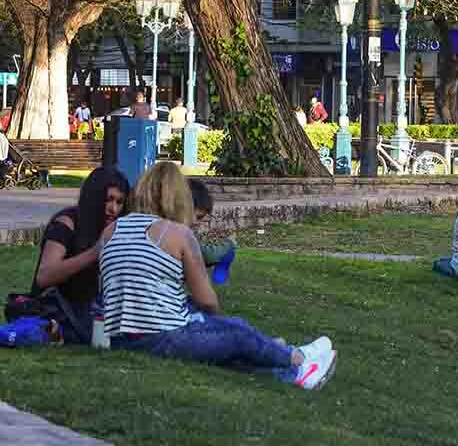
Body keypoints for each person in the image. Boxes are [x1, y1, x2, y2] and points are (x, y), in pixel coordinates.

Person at [100, 163, 337, 389]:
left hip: (120, 338)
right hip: (163, 338)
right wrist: (215, 326)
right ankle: (298, 360)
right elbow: (207, 300)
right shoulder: (178, 234)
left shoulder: (112, 230)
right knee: (235, 333)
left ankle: (291, 373)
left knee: (229, 344)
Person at [30, 167, 130, 343]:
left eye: (119, 202)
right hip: (56, 306)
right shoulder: (67, 222)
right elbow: (44, 276)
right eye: (108, 200)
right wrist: (94, 253)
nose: (113, 209)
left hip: (92, 308)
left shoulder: (116, 228)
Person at [189, 178, 237, 285]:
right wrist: (229, 243)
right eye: (198, 217)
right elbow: (207, 256)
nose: (197, 223)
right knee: (228, 251)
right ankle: (219, 279)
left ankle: (219, 279)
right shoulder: (182, 232)